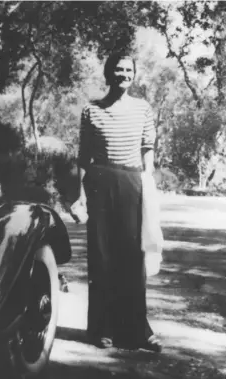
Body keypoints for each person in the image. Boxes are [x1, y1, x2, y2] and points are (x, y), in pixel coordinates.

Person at [72, 51, 162, 352]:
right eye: (119, 70)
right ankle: (102, 329)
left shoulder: (143, 109)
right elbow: (84, 156)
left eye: (129, 70)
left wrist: (147, 187)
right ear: (109, 74)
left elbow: (148, 150)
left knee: (133, 257)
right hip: (100, 183)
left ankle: (138, 330)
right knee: (102, 256)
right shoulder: (91, 110)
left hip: (132, 182)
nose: (125, 74)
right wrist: (80, 194)